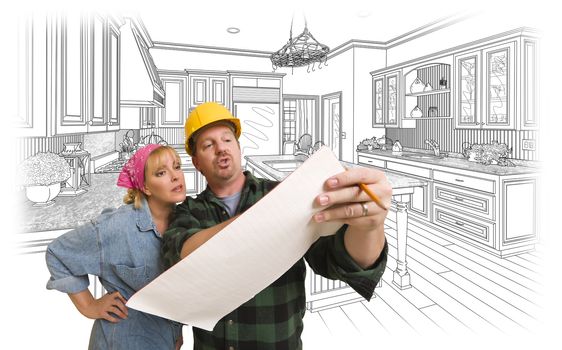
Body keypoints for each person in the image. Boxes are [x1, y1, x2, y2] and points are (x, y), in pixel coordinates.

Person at [162, 102, 392, 349]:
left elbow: (341, 261)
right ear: (196, 162)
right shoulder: (187, 211)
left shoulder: (285, 194)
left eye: (227, 140)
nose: (221, 149)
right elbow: (180, 256)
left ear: (238, 147)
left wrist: (369, 227)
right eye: (208, 145)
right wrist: (268, 217)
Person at [46, 144, 187, 350]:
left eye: (177, 166)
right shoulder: (117, 226)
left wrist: (176, 330)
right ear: (145, 186)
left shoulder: (185, 225)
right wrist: (89, 306)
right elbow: (57, 253)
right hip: (121, 341)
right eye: (161, 172)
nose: (175, 176)